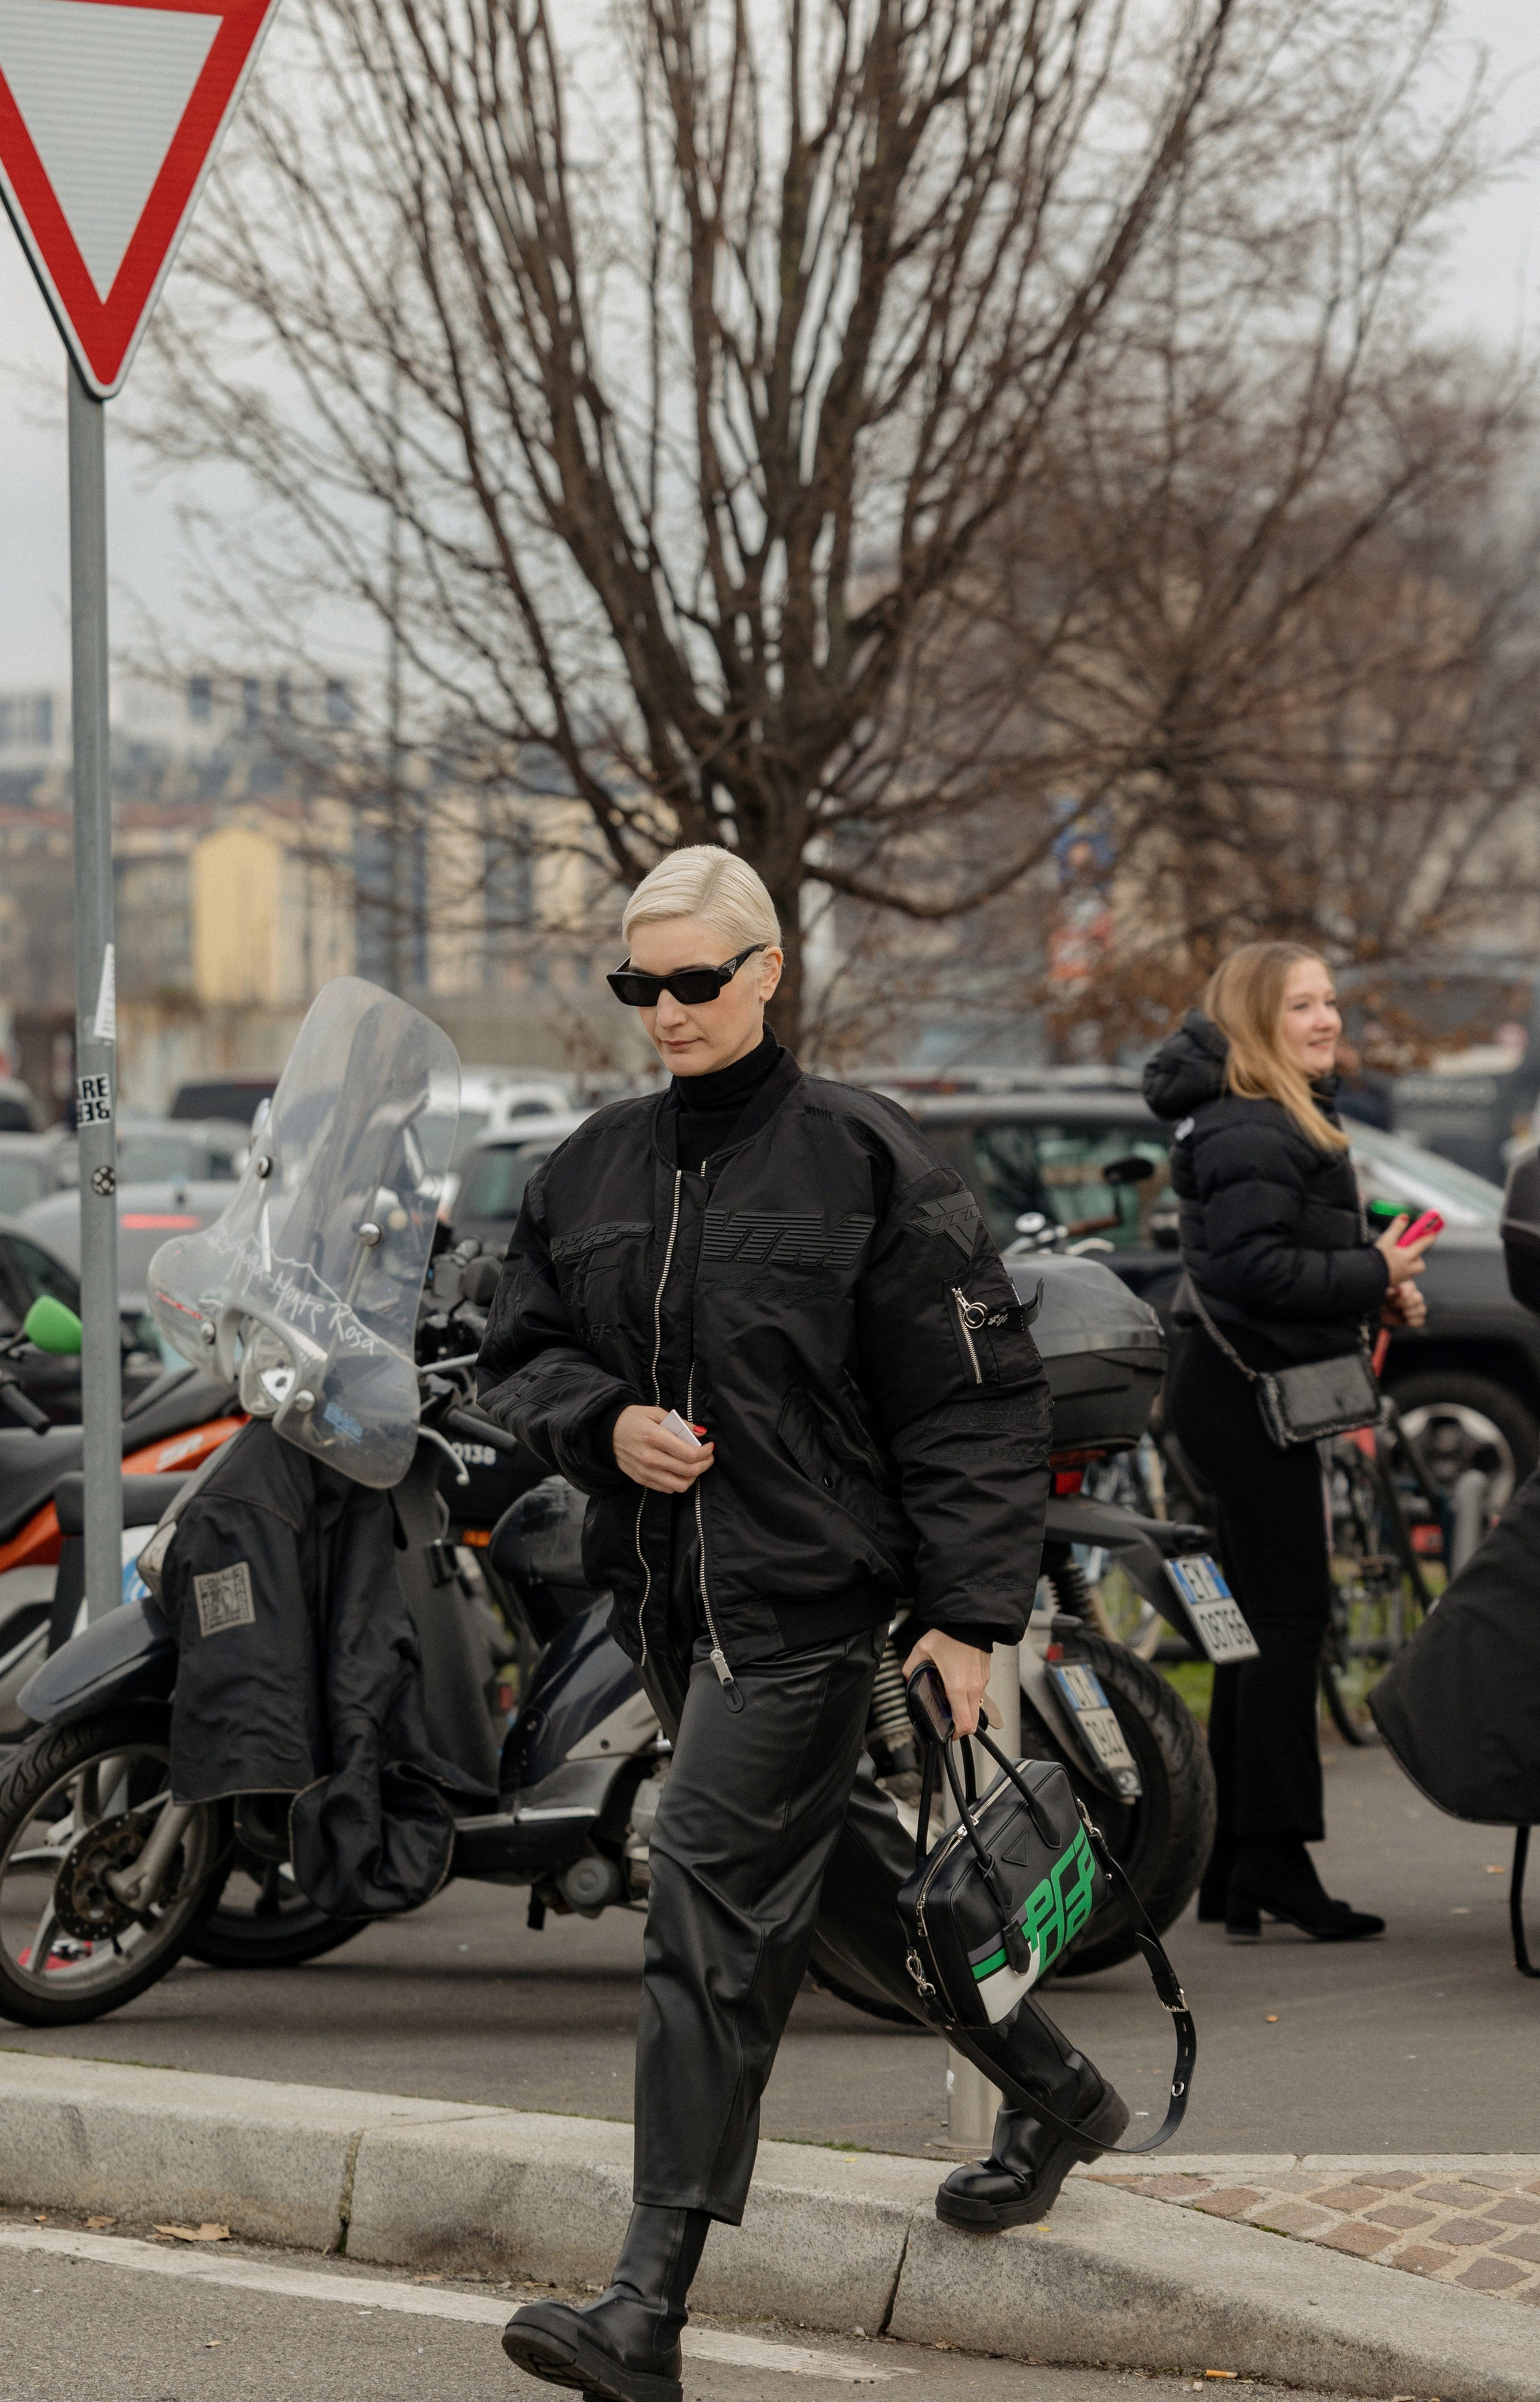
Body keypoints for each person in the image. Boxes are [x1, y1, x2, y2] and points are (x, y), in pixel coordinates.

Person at [476, 848, 1131, 2402]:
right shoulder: (587, 1166)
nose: (666, 1013)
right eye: (639, 986)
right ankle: (1057, 2096)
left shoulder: (864, 1158)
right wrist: (600, 1424)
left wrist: (970, 1618)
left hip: (811, 1608)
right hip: (665, 1605)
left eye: (695, 981)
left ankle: (644, 2303)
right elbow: (516, 1354)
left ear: (768, 970)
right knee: (824, 1877)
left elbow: (973, 1408)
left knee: (703, 1899)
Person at [1144, 943, 1434, 1945]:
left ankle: (1233, 1860)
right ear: (1255, 1023)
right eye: (1300, 1006)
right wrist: (1371, 1269)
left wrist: (1373, 1275)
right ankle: (1274, 1854)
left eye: (1329, 1002)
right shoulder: (1249, 1126)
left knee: (1254, 1623)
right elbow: (1261, 1271)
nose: (1326, 1021)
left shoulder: (1271, 1115)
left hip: (1244, 1386)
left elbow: (1273, 1259)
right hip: (1241, 1393)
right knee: (1286, 1615)